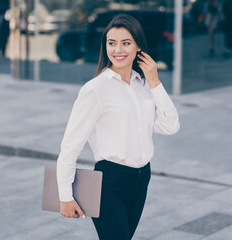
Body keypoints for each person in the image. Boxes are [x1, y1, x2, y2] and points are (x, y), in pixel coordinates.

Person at [56, 14, 180, 240]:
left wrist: (154, 81)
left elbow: (170, 126)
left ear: (138, 48)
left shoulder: (142, 84)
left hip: (142, 178)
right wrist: (64, 196)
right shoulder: (95, 90)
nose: (117, 50)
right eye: (112, 43)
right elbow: (70, 145)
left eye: (126, 42)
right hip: (110, 182)